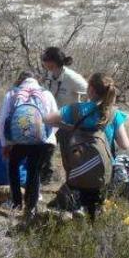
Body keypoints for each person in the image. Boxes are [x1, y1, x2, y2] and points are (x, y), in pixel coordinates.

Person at [45, 73, 129, 220]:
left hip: (77, 169)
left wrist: (68, 127)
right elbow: (125, 145)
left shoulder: (75, 109)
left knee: (74, 209)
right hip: (102, 174)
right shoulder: (114, 114)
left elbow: (47, 119)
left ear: (90, 89)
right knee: (95, 212)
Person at [0, 71, 58, 217]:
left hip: (18, 141)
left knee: (13, 166)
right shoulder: (46, 94)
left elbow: (3, 120)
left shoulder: (12, 94)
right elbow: (56, 119)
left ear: (20, 80)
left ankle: (16, 202)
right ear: (37, 80)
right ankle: (31, 207)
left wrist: (5, 143)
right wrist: (46, 135)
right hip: (41, 141)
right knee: (34, 171)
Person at [40, 47, 88, 184]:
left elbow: (89, 92)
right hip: (52, 120)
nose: (44, 63)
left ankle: (72, 183)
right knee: (46, 149)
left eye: (45, 60)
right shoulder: (49, 75)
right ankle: (44, 179)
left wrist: (81, 115)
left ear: (52, 62)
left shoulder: (72, 78)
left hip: (68, 123)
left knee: (68, 155)